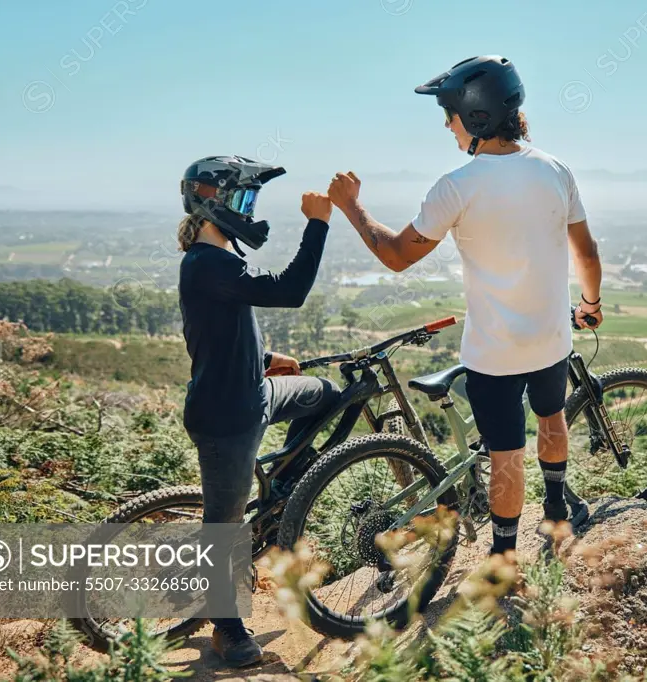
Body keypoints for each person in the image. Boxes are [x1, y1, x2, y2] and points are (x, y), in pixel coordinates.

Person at [325, 56, 603, 558]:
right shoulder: (556, 170)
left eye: (448, 115)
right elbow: (587, 252)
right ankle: (559, 511)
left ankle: (502, 558)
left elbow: (394, 256)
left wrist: (350, 206)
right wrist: (590, 303)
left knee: (506, 456)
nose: (446, 126)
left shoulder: (456, 186)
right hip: (551, 339)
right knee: (551, 416)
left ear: (474, 118)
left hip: (495, 353)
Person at [178, 155, 340, 667]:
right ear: (214, 204)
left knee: (330, 394)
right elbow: (290, 292)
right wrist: (318, 221)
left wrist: (267, 360)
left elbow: (210, 334)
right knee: (223, 526)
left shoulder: (214, 264)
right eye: (243, 200)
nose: (249, 210)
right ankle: (227, 626)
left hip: (257, 391)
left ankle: (281, 487)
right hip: (226, 417)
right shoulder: (208, 263)